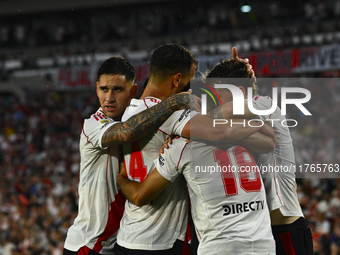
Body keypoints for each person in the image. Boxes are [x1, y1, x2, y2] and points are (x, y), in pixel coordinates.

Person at [115, 43, 275, 254]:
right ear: (177, 80)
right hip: (169, 241)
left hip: (137, 235)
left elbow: (139, 195)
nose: (191, 91)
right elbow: (264, 139)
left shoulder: (131, 114)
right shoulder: (187, 124)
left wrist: (120, 178)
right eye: (189, 83)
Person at [63, 56, 200, 255]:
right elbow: (127, 132)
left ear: (133, 91)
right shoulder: (93, 124)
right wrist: (173, 102)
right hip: (88, 244)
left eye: (117, 90)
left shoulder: (142, 119)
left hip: (117, 243)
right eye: (104, 89)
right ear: (96, 89)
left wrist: (173, 139)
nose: (109, 98)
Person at [206, 50, 314, 255]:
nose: (214, 99)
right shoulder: (239, 119)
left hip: (286, 228)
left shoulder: (263, 105)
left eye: (218, 92)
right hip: (262, 231)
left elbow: (212, 119)